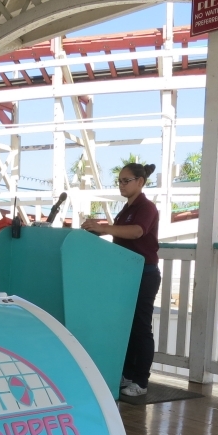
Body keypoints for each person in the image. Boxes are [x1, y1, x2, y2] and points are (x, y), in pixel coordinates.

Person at [81, 162, 161, 398]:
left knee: (141, 327)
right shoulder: (126, 209)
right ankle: (126, 373)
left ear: (140, 182)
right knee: (125, 326)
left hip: (144, 273)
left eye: (127, 180)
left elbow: (137, 232)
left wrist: (105, 229)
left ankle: (141, 379)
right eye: (119, 181)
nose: (122, 185)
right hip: (124, 274)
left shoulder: (146, 207)